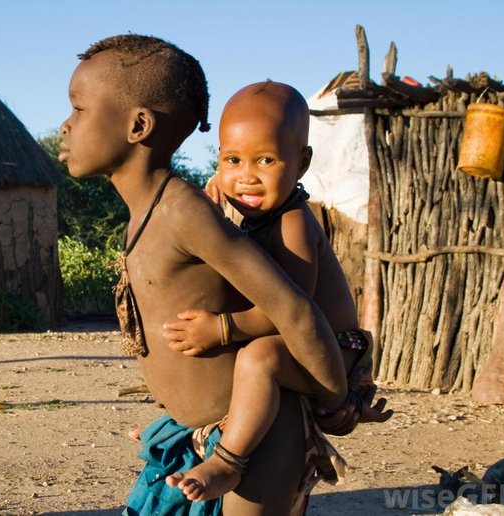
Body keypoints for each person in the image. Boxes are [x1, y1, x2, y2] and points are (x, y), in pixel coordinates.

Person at [59, 35, 351, 515]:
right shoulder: (151, 212)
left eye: (78, 109)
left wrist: (335, 401)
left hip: (255, 444)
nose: (66, 126)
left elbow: (294, 307)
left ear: (138, 125)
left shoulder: (183, 212)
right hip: (199, 440)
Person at [162, 81, 393, 503]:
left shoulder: (293, 226)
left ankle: (228, 461)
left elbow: (291, 313)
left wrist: (223, 328)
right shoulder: (252, 220)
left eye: (265, 160)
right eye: (232, 160)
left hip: (332, 348)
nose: (245, 175)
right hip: (305, 348)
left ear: (301, 163)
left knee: (259, 357)